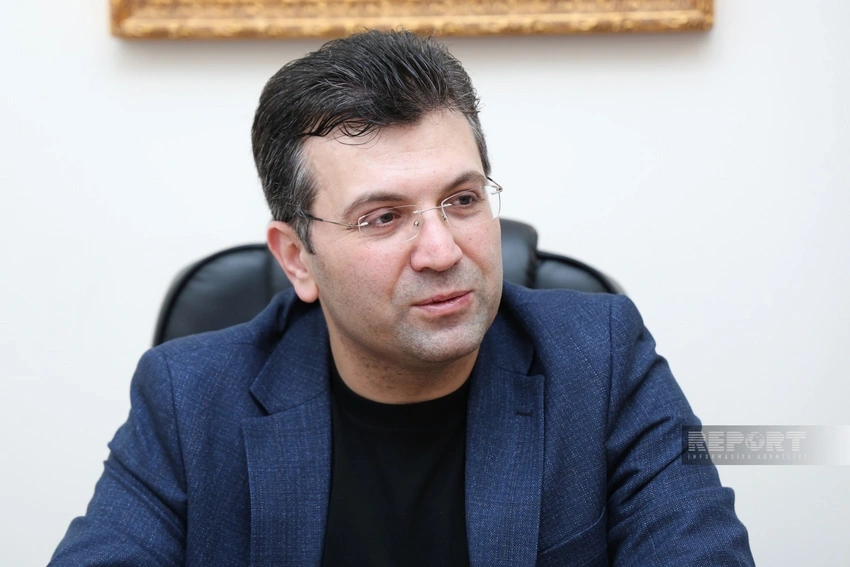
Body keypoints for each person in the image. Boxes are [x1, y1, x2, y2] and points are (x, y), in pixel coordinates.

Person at [51, 30, 754, 566]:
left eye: (463, 200)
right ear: (297, 258)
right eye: (383, 217)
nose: (442, 251)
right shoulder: (188, 399)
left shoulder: (601, 360)